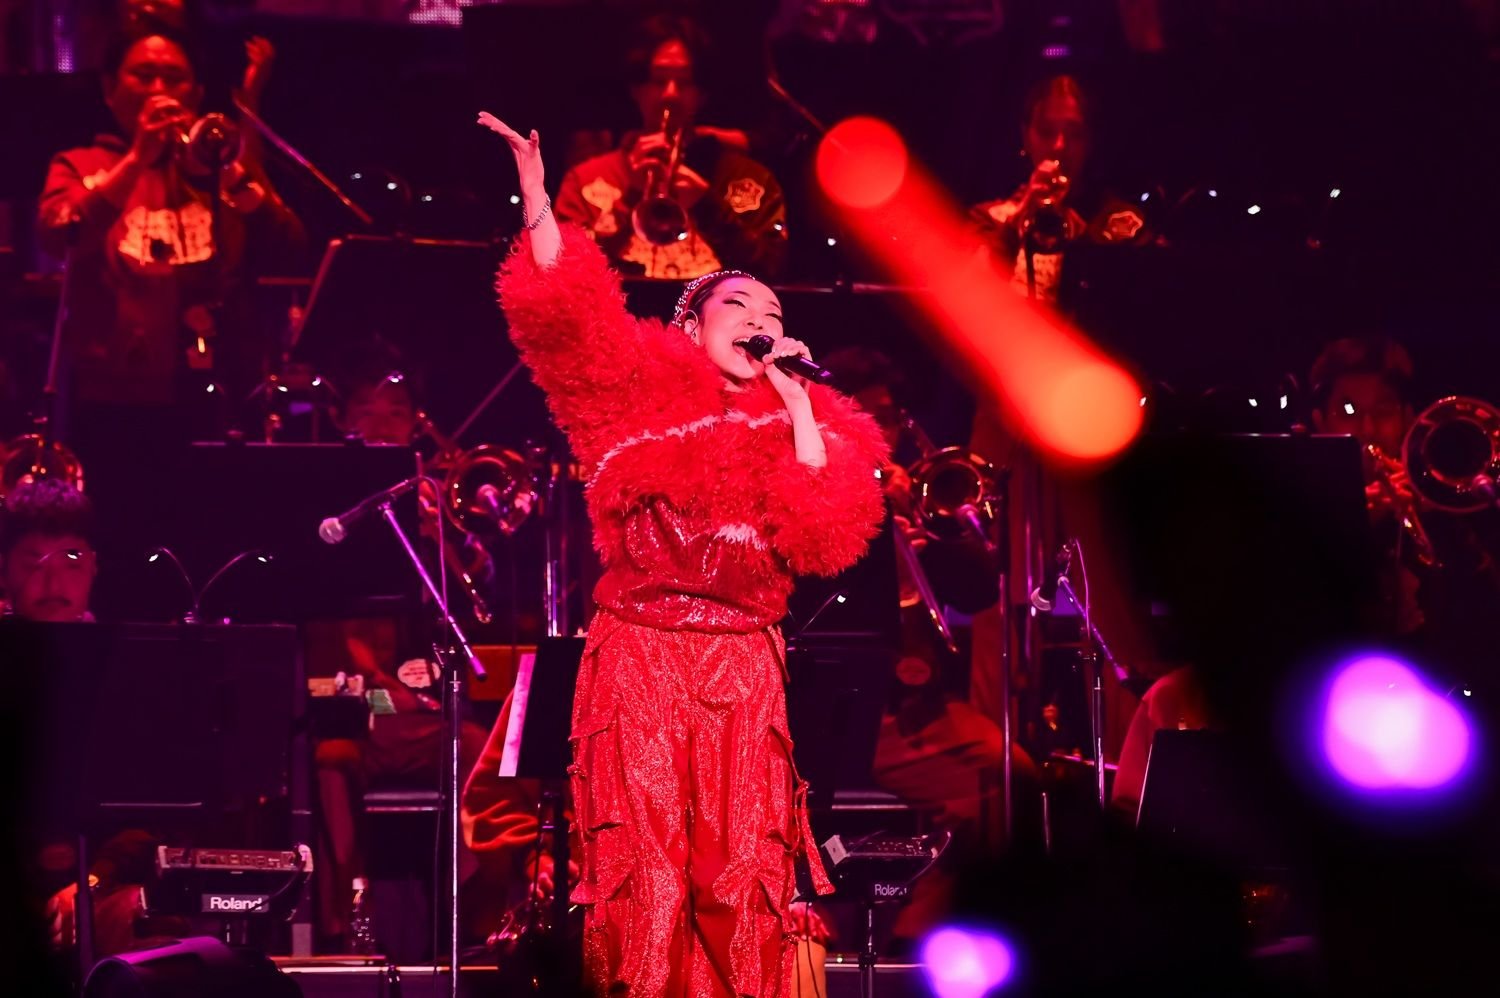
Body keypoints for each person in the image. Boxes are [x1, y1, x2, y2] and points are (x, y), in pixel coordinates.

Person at [478, 109, 886, 995]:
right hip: (641, 657)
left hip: (744, 664)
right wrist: (538, 196)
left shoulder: (818, 429)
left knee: (741, 874)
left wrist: (801, 409)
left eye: (774, 312)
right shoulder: (630, 400)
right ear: (692, 326)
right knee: (649, 880)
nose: (760, 320)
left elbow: (822, 536)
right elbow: (569, 321)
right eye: (739, 306)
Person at [36, 27, 301, 429]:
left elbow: (288, 245)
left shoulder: (221, 170)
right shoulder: (78, 164)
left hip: (221, 393)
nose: (159, 90)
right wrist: (136, 160)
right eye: (143, 76)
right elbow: (58, 236)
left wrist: (227, 169)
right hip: (111, 397)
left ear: (195, 94)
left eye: (174, 79)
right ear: (109, 89)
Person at [554, 14, 788, 280]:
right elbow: (563, 273)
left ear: (702, 94)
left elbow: (772, 272)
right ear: (636, 90)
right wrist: (630, 198)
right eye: (658, 81)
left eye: (685, 82)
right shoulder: (584, 180)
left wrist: (708, 208)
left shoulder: (751, 181)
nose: (671, 94)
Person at [970, 74, 1151, 304]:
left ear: (1089, 141)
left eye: (1074, 134)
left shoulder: (1118, 222)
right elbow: (967, 293)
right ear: (1025, 137)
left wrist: (1084, 242)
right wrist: (1020, 218)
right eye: (1046, 132)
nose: (1059, 146)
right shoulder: (987, 218)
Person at [0, 478, 97, 623]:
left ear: (92, 567)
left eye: (72, 565)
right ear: (2, 571)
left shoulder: (118, 638)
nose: (53, 587)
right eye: (34, 566)